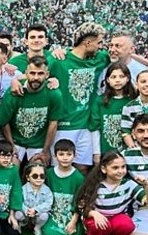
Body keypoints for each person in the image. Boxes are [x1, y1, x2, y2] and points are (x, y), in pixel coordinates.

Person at [45, 22, 111, 171]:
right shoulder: (58, 60)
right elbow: (34, 75)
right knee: (59, 169)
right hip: (63, 125)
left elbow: (122, 54)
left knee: (83, 169)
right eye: (99, 42)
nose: (101, 47)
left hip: (85, 125)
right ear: (87, 43)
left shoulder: (99, 58)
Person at [75, 151, 148, 235]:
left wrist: (146, 185)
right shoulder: (95, 184)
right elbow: (81, 206)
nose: (120, 171)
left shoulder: (129, 184)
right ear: (104, 169)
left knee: (127, 224)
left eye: (123, 167)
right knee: (96, 224)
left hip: (116, 218)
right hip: (97, 219)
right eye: (115, 168)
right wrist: (94, 213)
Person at [0, 56, 62, 165]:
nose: (36, 77)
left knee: (39, 167)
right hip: (16, 141)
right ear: (26, 73)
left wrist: (45, 150)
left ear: (47, 75)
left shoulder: (54, 93)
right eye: (32, 73)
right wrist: (11, 145)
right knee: (11, 166)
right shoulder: (14, 91)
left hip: (38, 144)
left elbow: (53, 124)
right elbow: (4, 122)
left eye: (40, 73)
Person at [89, 62, 136, 163]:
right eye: (113, 77)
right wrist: (96, 153)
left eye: (121, 76)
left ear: (128, 78)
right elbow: (95, 128)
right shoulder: (100, 101)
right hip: (106, 151)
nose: (117, 80)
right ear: (107, 80)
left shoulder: (133, 101)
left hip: (130, 151)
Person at [43, 139, 85, 235]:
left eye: (69, 154)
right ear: (55, 156)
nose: (65, 158)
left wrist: (73, 222)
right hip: (53, 213)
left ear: (74, 156)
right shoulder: (49, 173)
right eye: (61, 154)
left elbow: (79, 202)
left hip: (70, 215)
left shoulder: (79, 178)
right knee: (47, 232)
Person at [17, 162, 53, 235]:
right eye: (35, 176)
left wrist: (36, 210)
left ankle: (37, 227)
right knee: (18, 214)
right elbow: (19, 201)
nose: (39, 178)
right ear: (28, 177)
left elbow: (48, 203)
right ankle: (21, 224)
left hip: (38, 214)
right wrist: (26, 210)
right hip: (25, 213)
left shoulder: (47, 190)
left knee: (44, 216)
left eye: (42, 176)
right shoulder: (23, 189)